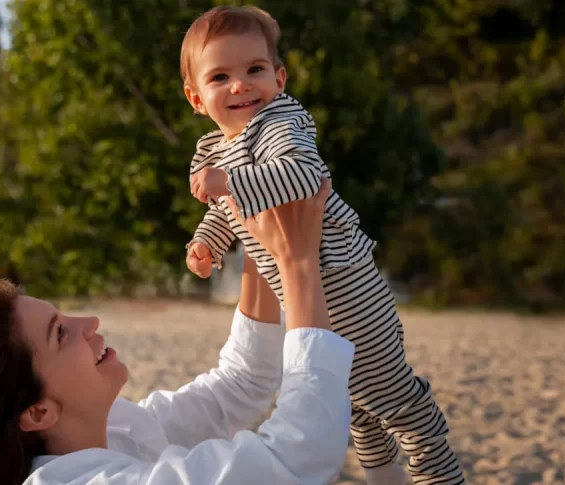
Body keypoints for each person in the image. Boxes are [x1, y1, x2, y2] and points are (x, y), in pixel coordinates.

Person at [0, 180, 359, 484]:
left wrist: (258, 237)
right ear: (37, 411)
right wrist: (298, 264)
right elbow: (299, 457)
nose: (88, 324)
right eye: (60, 335)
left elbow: (240, 385)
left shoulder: (109, 429)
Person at [180, 6, 466, 485]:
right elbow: (224, 210)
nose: (240, 85)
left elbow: (303, 175)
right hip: (304, 298)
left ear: (280, 78)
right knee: (343, 398)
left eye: (255, 69)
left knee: (394, 398)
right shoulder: (214, 150)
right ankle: (383, 476)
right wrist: (206, 242)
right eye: (220, 76)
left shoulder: (279, 124)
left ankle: (439, 474)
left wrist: (228, 181)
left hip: (346, 285)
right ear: (196, 97)